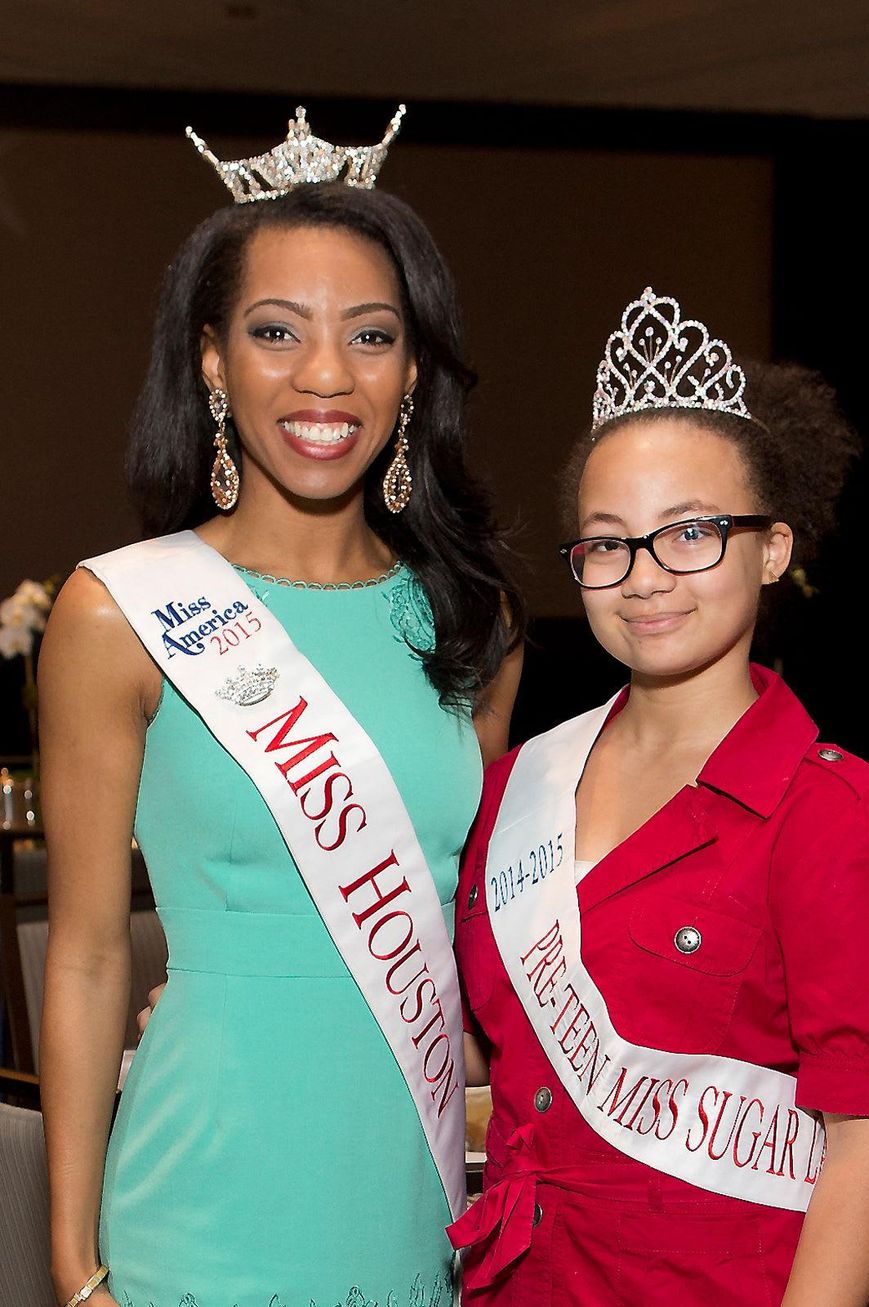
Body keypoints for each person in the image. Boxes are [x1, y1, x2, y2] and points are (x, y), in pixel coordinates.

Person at [38, 107, 523, 1307]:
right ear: (210, 359)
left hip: (407, 1189)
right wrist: (72, 1258)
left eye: (370, 335)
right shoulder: (121, 613)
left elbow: (460, 928)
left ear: (412, 370)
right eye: (274, 331)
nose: (324, 376)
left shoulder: (475, 623)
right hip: (200, 1199)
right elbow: (92, 955)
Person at [449, 287, 869, 1305]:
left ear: (772, 547)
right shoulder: (515, 788)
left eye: (690, 533)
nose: (644, 577)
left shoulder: (841, 825)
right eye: (607, 541)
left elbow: (867, 1148)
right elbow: (486, 1045)